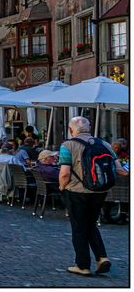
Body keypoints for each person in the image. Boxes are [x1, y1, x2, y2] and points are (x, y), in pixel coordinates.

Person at [58, 116, 129, 276]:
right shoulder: (104, 144)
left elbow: (64, 173)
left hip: (76, 192)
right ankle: (102, 257)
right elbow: (120, 169)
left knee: (79, 228)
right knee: (90, 224)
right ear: (88, 129)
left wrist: (62, 187)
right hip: (100, 192)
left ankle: (82, 265)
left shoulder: (67, 145)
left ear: (71, 130)